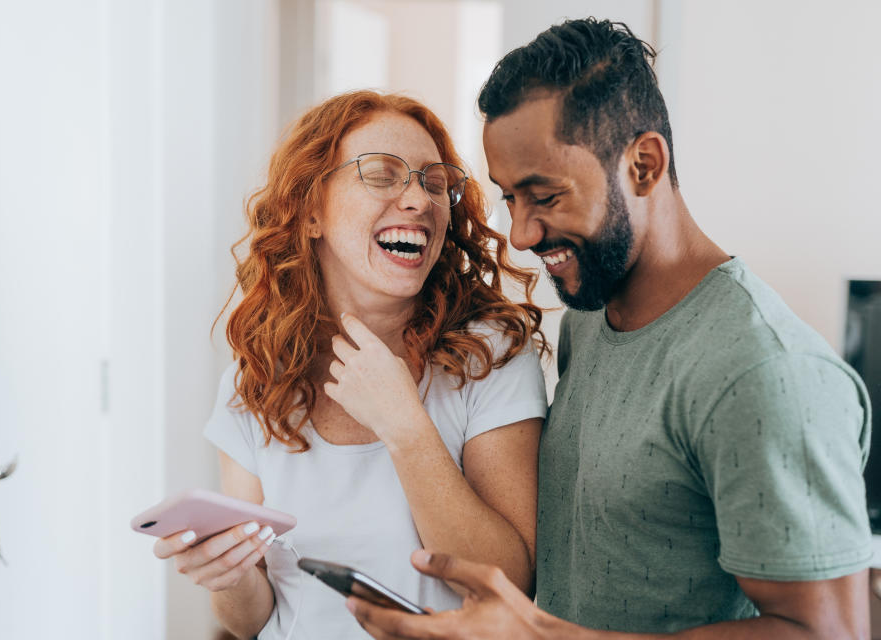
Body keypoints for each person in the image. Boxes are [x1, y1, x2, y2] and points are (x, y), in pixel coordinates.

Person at [348, 18, 873, 639]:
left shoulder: (765, 373)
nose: (521, 234)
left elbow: (827, 633)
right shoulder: (589, 319)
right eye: (510, 198)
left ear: (644, 165)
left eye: (544, 196)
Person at [152, 90, 549, 640]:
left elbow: (507, 583)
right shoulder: (255, 382)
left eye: (435, 182)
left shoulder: (489, 355)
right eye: (383, 175)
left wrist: (405, 427)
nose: (420, 200)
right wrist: (227, 577)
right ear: (311, 212)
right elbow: (251, 621)